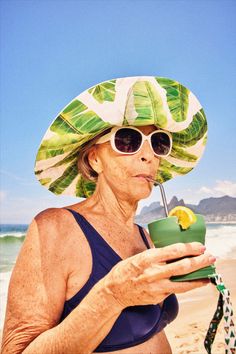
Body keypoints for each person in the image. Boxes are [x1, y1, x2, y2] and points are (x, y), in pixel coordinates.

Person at [1, 76, 215, 354]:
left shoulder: (148, 237)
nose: (148, 155)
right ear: (94, 159)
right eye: (128, 140)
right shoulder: (55, 228)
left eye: (159, 142)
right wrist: (113, 295)